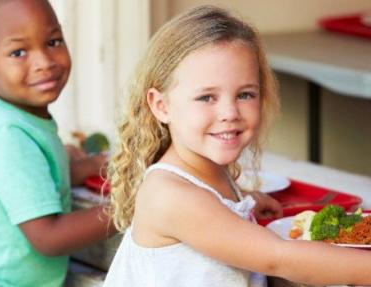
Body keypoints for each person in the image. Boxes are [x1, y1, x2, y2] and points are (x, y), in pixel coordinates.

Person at [103, 5, 371, 287]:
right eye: (207, 97)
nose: (229, 112)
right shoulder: (169, 195)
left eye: (245, 94)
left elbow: (212, 216)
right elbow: (279, 258)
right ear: (161, 106)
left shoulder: (208, 173)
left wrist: (246, 201)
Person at [0, 0, 116, 286]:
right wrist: (134, 207)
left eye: (53, 41)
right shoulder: (8, 134)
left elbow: (34, 182)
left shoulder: (7, 117)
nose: (44, 62)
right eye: (18, 52)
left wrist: (89, 166)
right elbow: (49, 237)